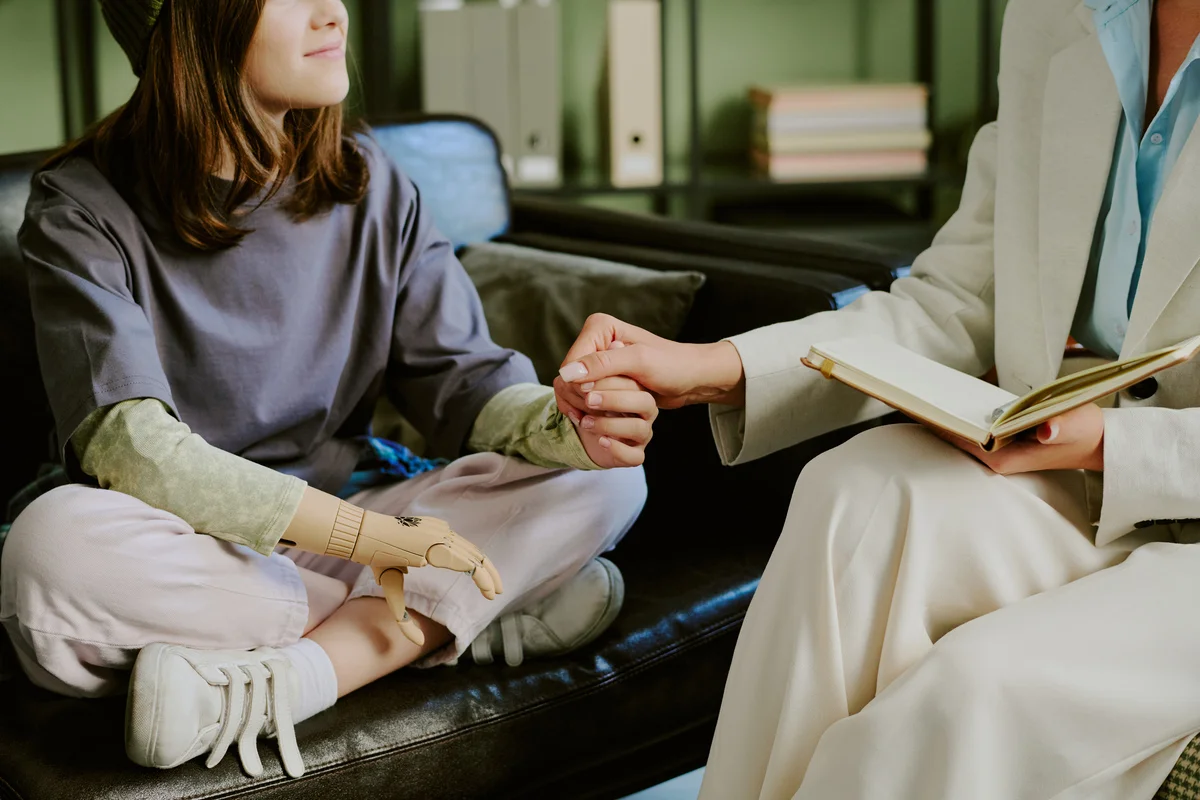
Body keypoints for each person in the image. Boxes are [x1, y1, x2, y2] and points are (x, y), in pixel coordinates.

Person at [555, 0, 1200, 796]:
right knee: (849, 495)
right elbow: (957, 300)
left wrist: (1110, 441)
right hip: (1074, 479)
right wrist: (712, 365)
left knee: (970, 694)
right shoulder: (1051, 12)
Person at [0, 0, 656, 781]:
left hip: (351, 527)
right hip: (188, 542)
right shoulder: (78, 207)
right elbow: (131, 449)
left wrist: (570, 424)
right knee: (52, 557)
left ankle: (294, 675)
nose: (331, 12)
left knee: (606, 478)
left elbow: (470, 384)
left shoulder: (373, 183)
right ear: (188, 26)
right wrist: (373, 546)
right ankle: (453, 621)